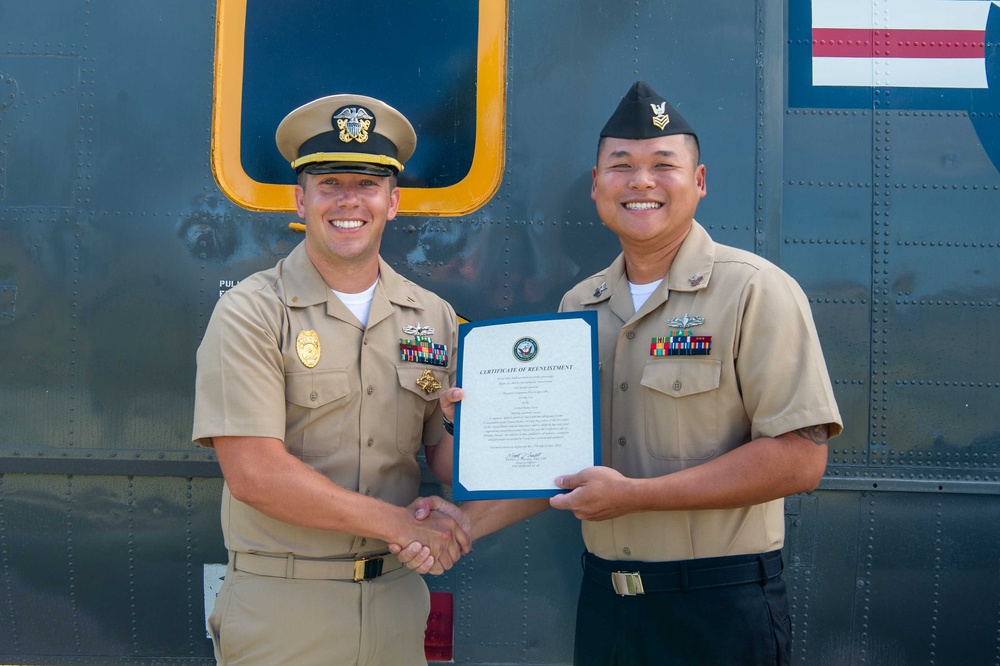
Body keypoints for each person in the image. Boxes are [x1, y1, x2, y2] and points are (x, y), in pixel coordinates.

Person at [399, 81, 843, 665]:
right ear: (596, 185)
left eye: (664, 164)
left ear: (700, 182)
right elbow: (557, 470)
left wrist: (636, 497)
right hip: (608, 607)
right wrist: (464, 517)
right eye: (621, 166)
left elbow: (799, 458)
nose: (641, 181)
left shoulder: (755, 291)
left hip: (718, 609)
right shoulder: (578, 307)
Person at [193, 93, 471, 666]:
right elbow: (254, 473)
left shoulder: (433, 316)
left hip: (396, 604)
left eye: (367, 184)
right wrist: (402, 524)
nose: (349, 201)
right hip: (285, 611)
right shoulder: (253, 310)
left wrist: (481, 435)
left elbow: (441, 455)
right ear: (301, 198)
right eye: (330, 183)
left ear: (392, 202)